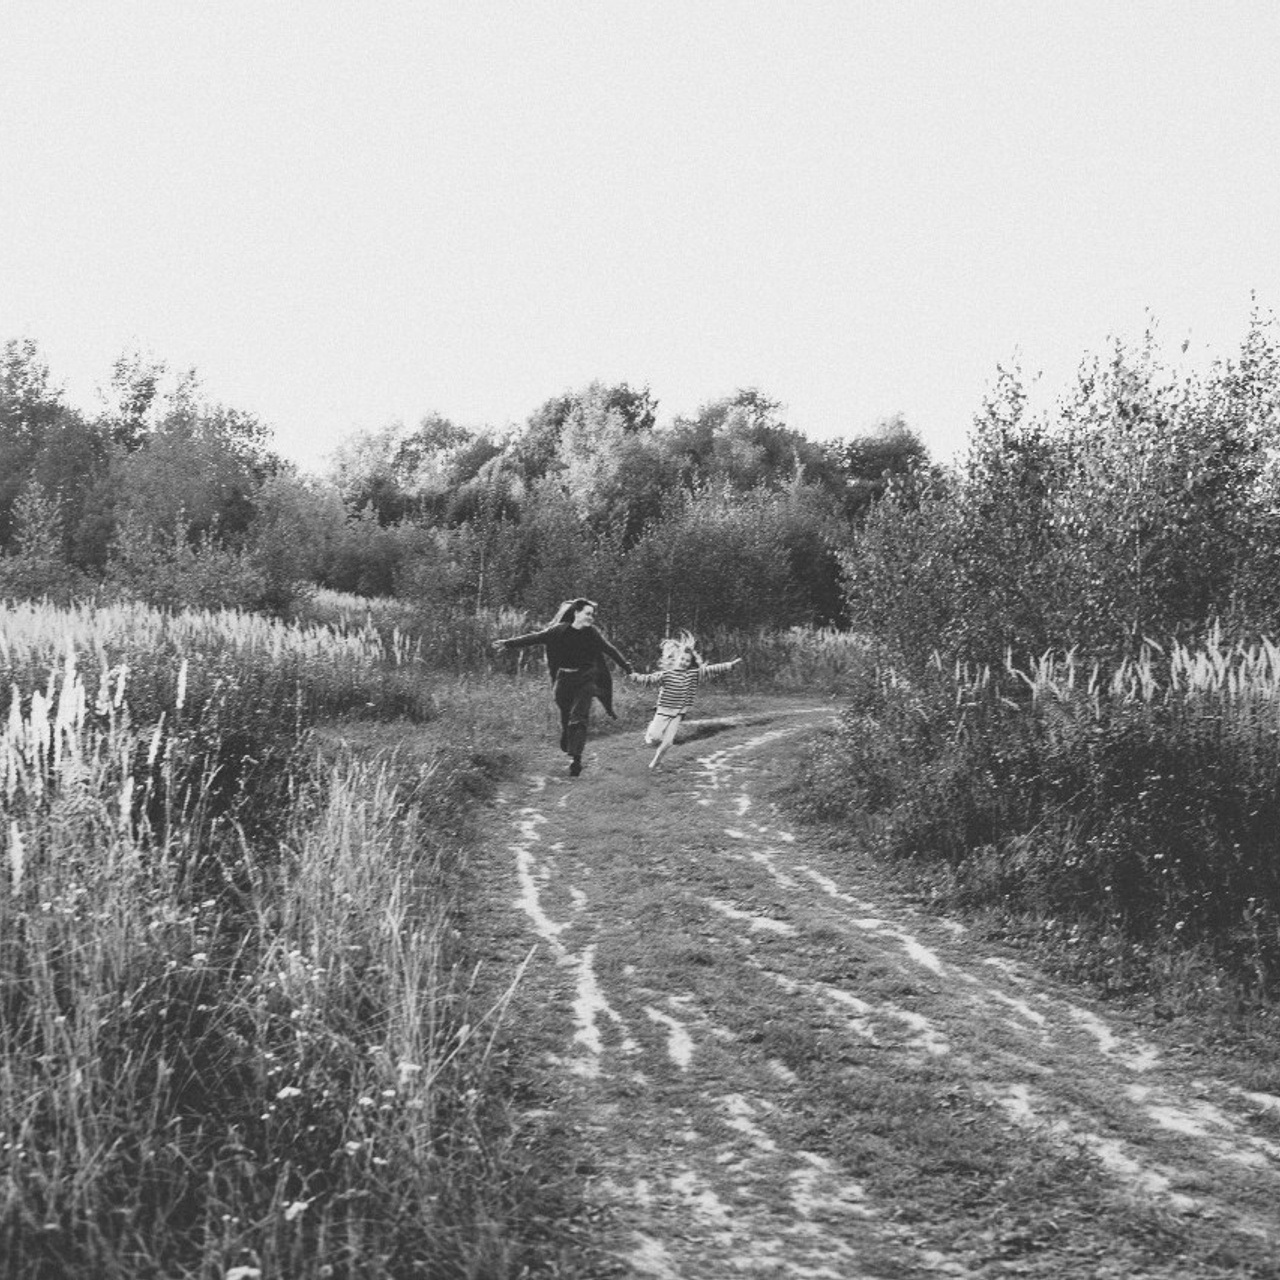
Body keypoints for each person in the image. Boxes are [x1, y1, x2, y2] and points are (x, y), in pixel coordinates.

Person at [491, 598, 634, 777]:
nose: (591, 618)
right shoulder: (559, 631)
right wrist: (507, 643)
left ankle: (576, 760)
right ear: (577, 613)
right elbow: (534, 638)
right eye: (588, 614)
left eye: (593, 615)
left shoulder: (592, 633)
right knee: (567, 717)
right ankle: (567, 734)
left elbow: (609, 649)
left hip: (585, 679)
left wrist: (627, 667)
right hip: (564, 680)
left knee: (579, 717)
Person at [628, 631, 742, 769]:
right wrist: (633, 675)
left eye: (687, 661)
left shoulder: (692, 675)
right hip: (663, 711)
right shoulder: (666, 675)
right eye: (682, 659)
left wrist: (730, 665)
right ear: (676, 659)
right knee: (654, 739)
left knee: (668, 742)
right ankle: (651, 728)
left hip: (678, 713)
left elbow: (710, 669)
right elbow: (648, 679)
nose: (684, 662)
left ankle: (656, 761)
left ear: (690, 663)